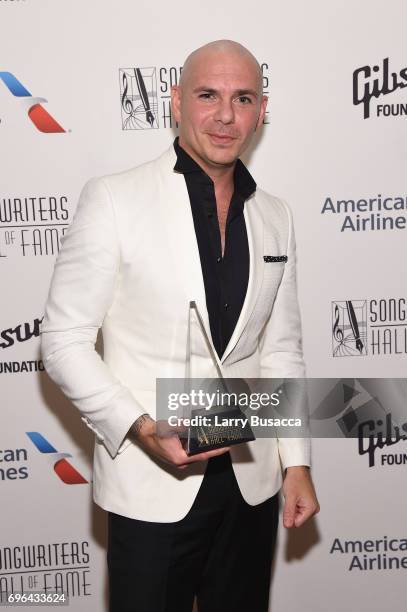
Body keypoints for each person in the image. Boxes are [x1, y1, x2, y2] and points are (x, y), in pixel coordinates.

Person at [41, 39, 319, 612]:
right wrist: (141, 428)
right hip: (151, 486)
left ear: (261, 111)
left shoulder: (276, 215)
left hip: (252, 482)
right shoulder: (115, 198)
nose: (225, 115)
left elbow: (282, 352)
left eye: (243, 98)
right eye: (207, 95)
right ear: (175, 102)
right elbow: (64, 342)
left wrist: (296, 463)